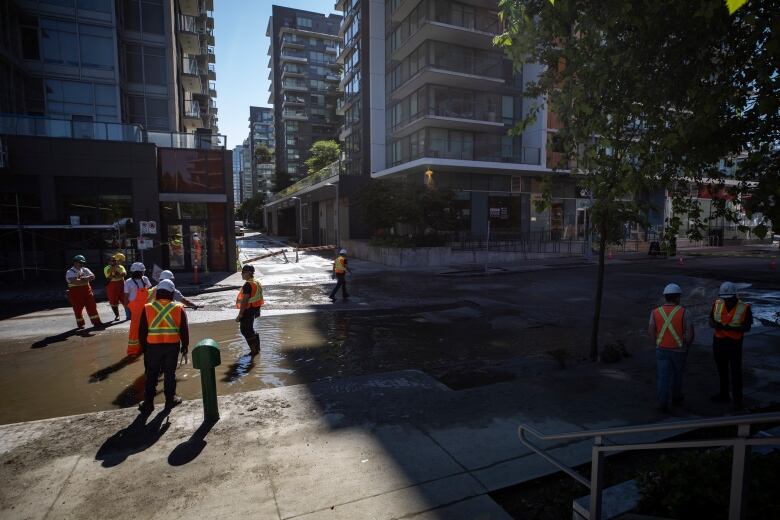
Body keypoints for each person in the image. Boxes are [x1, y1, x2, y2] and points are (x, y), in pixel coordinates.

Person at [137, 279, 188, 412]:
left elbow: (142, 330)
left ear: (157, 293)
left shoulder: (147, 307)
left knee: (151, 374)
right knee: (169, 373)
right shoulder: (178, 308)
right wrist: (185, 346)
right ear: (171, 293)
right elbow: (184, 329)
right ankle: (170, 400)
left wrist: (143, 348)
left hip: (152, 347)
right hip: (172, 346)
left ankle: (148, 403)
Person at [648, 283, 695, 413]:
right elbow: (690, 334)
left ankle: (662, 402)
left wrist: (656, 343)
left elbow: (651, 331)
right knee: (677, 375)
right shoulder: (685, 312)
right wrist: (687, 345)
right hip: (679, 350)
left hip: (661, 349)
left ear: (665, 297)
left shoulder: (655, 312)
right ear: (677, 297)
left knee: (663, 376)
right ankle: (676, 398)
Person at [709, 281, 753, 410]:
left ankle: (737, 400)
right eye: (725, 299)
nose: (727, 301)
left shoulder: (744, 307)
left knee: (736, 372)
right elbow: (710, 319)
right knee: (722, 370)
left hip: (734, 343)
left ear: (735, 296)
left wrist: (733, 329)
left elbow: (747, 326)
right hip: (718, 342)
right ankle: (724, 394)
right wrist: (715, 325)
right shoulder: (717, 304)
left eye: (729, 299)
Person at [66, 255, 103, 329]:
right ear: (75, 262)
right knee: (78, 309)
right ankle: (80, 324)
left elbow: (93, 277)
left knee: (92, 306)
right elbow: (76, 282)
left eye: (83, 263)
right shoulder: (70, 272)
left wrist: (84, 278)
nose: (82, 264)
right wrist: (87, 279)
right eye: (80, 262)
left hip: (87, 291)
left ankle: (96, 322)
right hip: (75, 293)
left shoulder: (85, 269)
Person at [124, 262, 151, 356]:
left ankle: (146, 345)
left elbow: (150, 292)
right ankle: (133, 349)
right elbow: (126, 297)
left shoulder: (145, 279)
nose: (143, 273)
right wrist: (127, 308)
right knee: (135, 329)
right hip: (135, 308)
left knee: (147, 327)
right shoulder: (128, 282)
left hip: (146, 307)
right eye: (142, 271)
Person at [235, 264, 263, 355]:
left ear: (249, 273)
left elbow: (244, 301)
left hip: (248, 310)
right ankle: (257, 349)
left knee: (245, 330)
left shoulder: (248, 285)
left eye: (243, 272)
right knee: (250, 329)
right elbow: (259, 297)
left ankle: (254, 351)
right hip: (254, 309)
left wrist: (240, 314)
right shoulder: (256, 282)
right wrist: (258, 311)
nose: (241, 274)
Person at [103, 253, 127, 320]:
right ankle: (117, 315)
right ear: (109, 262)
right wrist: (115, 270)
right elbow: (109, 275)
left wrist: (116, 274)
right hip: (111, 286)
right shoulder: (106, 268)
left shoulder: (121, 267)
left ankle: (128, 314)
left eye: (115, 260)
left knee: (125, 300)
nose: (114, 261)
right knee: (113, 301)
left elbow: (123, 274)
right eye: (112, 260)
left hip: (121, 285)